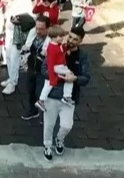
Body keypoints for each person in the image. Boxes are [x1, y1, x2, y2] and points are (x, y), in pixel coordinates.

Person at [40, 27, 90, 161]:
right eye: (70, 37)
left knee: (67, 125)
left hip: (69, 97)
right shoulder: (56, 49)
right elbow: (44, 70)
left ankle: (59, 139)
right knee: (49, 124)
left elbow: (86, 77)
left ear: (80, 41)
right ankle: (47, 145)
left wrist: (75, 79)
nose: (71, 41)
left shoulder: (82, 56)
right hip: (53, 94)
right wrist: (59, 77)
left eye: (75, 39)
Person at [20, 15, 51, 121]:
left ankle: (46, 116)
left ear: (47, 29)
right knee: (31, 90)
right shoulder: (32, 34)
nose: (38, 31)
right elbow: (27, 45)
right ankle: (33, 110)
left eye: (41, 29)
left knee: (41, 93)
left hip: (42, 71)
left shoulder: (51, 40)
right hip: (31, 67)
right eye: (37, 28)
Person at [35, 25, 73, 110]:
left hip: (56, 67)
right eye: (60, 36)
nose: (62, 38)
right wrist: (52, 78)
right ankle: (67, 96)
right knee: (70, 77)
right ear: (53, 37)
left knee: (47, 84)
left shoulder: (55, 45)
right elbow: (50, 63)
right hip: (58, 67)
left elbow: (61, 49)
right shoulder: (52, 49)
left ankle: (41, 100)